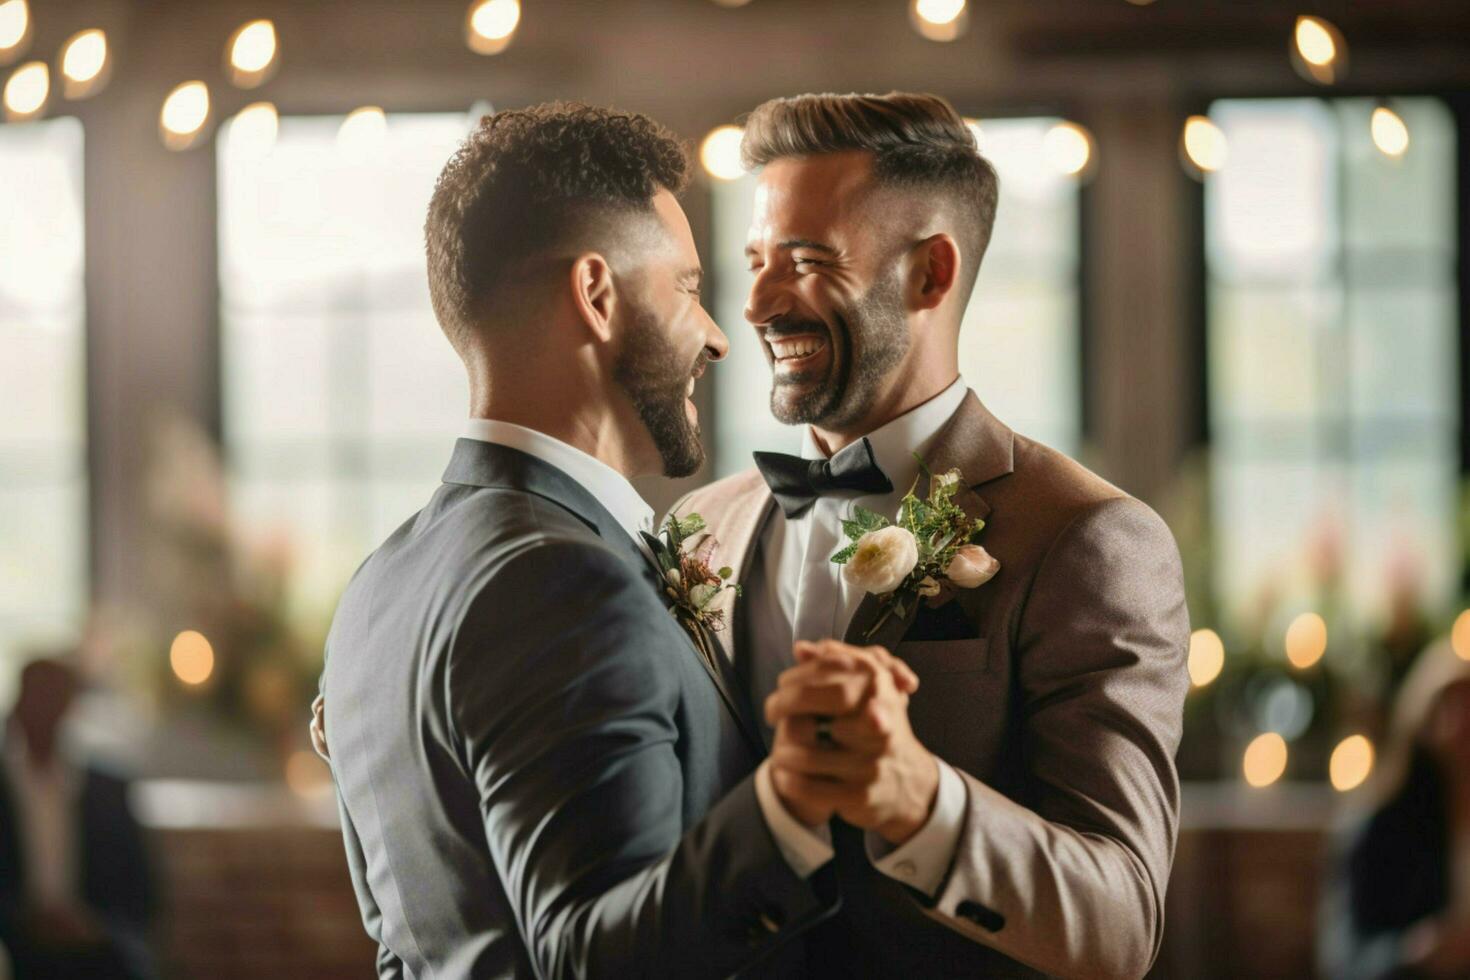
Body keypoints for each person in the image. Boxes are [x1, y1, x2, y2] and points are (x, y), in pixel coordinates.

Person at [315, 102, 931, 978]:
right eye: (685, 287)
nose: (719, 333)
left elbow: (405, 947)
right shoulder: (562, 582)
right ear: (596, 295)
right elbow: (593, 957)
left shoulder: (378, 587)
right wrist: (789, 807)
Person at [676, 91, 1191, 979]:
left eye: (806, 261)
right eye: (756, 259)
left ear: (931, 274)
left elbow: (1120, 921)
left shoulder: (1090, 539)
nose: (756, 302)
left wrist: (922, 803)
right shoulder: (700, 529)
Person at [1319, 639, 1470, 979]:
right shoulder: (1381, 830)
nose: (1463, 726)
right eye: (1452, 708)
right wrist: (1417, 952)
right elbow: (1343, 961)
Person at [0, 657, 157, 980]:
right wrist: (27, 921)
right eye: (35, 696)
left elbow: (141, 894)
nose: (43, 709)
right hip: (13, 947)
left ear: (69, 706)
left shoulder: (108, 792)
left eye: (52, 696)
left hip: (94, 951)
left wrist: (93, 926)